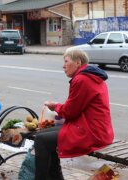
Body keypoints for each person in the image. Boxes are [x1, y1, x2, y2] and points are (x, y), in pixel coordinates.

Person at [34, 49, 114, 180]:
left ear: (78, 62)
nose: (63, 66)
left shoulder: (82, 79)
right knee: (42, 135)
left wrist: (55, 106)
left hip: (92, 132)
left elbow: (70, 113)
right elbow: (74, 108)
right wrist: (60, 107)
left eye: (66, 61)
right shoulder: (90, 76)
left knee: (41, 140)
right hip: (97, 128)